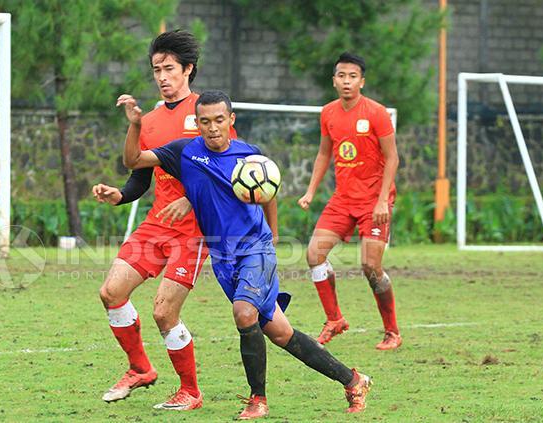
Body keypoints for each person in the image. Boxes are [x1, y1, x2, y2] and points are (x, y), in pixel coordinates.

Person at [119, 89, 372, 419]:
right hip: (223, 259)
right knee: (281, 333)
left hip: (256, 250)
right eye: (205, 121)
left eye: (219, 120)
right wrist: (136, 126)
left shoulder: (250, 155)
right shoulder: (184, 152)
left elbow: (268, 193)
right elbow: (134, 161)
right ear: (197, 123)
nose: (212, 128)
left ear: (231, 120)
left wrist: (274, 237)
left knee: (244, 314)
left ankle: (258, 400)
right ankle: (353, 380)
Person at [92, 30, 237, 411]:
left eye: (169, 68)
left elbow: (227, 172)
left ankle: (190, 391)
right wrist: (120, 195)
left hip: (195, 229)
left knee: (163, 311)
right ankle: (140, 368)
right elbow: (140, 175)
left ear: (188, 69)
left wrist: (190, 201)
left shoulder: (207, 114)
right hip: (157, 223)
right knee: (111, 292)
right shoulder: (151, 119)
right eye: (156, 69)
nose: (161, 76)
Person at [297, 52, 401, 350]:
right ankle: (335, 320)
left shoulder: (376, 113)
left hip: (374, 201)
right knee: (314, 254)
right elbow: (324, 153)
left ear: (362, 81)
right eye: (341, 75)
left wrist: (382, 201)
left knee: (370, 266)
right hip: (343, 199)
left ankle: (392, 331)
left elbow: (393, 157)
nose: (346, 81)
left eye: (352, 76)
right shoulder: (328, 112)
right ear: (334, 80)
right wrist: (310, 191)